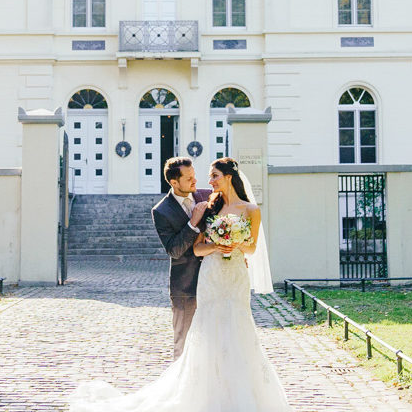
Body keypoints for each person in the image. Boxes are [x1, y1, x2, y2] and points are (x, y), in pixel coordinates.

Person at [69, 157, 291, 412]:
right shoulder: (169, 210)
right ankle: (192, 394)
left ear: (227, 176)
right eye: (191, 178)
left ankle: (236, 392)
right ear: (175, 182)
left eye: (209, 175)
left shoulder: (219, 201)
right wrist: (206, 235)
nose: (201, 182)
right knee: (192, 341)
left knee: (238, 330)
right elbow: (182, 249)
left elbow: (251, 245)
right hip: (197, 280)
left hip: (233, 277)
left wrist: (236, 245)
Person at [150, 156, 213, 360]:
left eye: (194, 176)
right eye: (189, 179)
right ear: (174, 182)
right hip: (185, 287)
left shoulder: (207, 195)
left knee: (213, 342)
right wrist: (193, 223)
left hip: (214, 280)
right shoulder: (161, 211)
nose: (195, 182)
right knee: (183, 345)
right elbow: (174, 250)